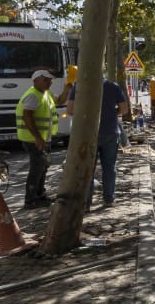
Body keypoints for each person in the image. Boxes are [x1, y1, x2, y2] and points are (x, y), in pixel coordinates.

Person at [70, 75, 129, 209]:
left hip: (87, 134)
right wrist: (113, 113)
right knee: (109, 167)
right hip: (110, 132)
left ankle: (87, 202)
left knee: (88, 168)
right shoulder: (113, 86)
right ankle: (108, 198)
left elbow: (70, 110)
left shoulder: (78, 86)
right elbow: (124, 109)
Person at [16, 69, 69, 209]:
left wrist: (67, 89)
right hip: (34, 140)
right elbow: (27, 117)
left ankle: (40, 195)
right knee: (37, 169)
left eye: (50, 80)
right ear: (36, 80)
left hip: (44, 139)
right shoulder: (33, 95)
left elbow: (60, 101)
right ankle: (30, 199)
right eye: (46, 79)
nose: (49, 82)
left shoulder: (45, 94)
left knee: (43, 167)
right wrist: (38, 138)